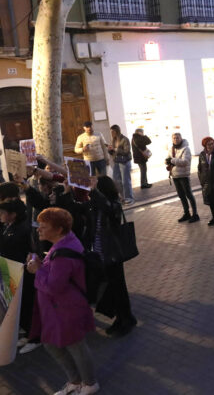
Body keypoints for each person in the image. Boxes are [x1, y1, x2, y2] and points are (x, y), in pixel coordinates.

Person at [26, 208, 99, 395]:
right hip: (57, 309)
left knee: (75, 346)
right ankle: (75, 381)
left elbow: (53, 286)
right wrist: (42, 264)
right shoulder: (63, 243)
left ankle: (89, 384)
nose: (38, 230)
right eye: (39, 226)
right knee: (52, 343)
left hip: (65, 309)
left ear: (58, 230)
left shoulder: (64, 253)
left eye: (43, 227)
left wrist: (37, 270)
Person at [87, 176, 137, 336]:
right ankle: (121, 318)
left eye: (98, 189)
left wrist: (94, 191)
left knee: (118, 288)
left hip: (113, 253)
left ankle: (127, 319)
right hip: (102, 253)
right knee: (112, 288)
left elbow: (107, 207)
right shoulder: (97, 205)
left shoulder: (113, 205)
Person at [0, 198, 36, 351]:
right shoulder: (8, 226)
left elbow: (29, 251)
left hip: (21, 272)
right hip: (10, 271)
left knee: (27, 303)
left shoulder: (22, 229)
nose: (0, 215)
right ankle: (24, 329)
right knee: (16, 303)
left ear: (13, 215)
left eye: (2, 213)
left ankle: (33, 336)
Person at [167, 133, 199, 223]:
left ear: (181, 138)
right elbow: (168, 158)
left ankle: (195, 214)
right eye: (174, 138)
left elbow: (185, 162)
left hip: (183, 175)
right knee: (181, 196)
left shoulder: (186, 148)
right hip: (175, 175)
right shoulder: (171, 149)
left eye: (177, 137)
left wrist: (172, 160)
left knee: (189, 194)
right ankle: (187, 213)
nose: (176, 139)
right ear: (172, 139)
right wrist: (167, 161)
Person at [107, 125, 133, 205]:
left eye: (112, 132)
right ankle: (122, 197)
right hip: (117, 162)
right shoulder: (113, 140)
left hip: (124, 162)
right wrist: (110, 150)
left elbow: (127, 151)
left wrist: (115, 149)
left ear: (117, 131)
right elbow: (114, 153)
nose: (111, 133)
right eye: (111, 132)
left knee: (125, 181)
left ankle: (129, 198)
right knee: (116, 180)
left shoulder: (125, 139)